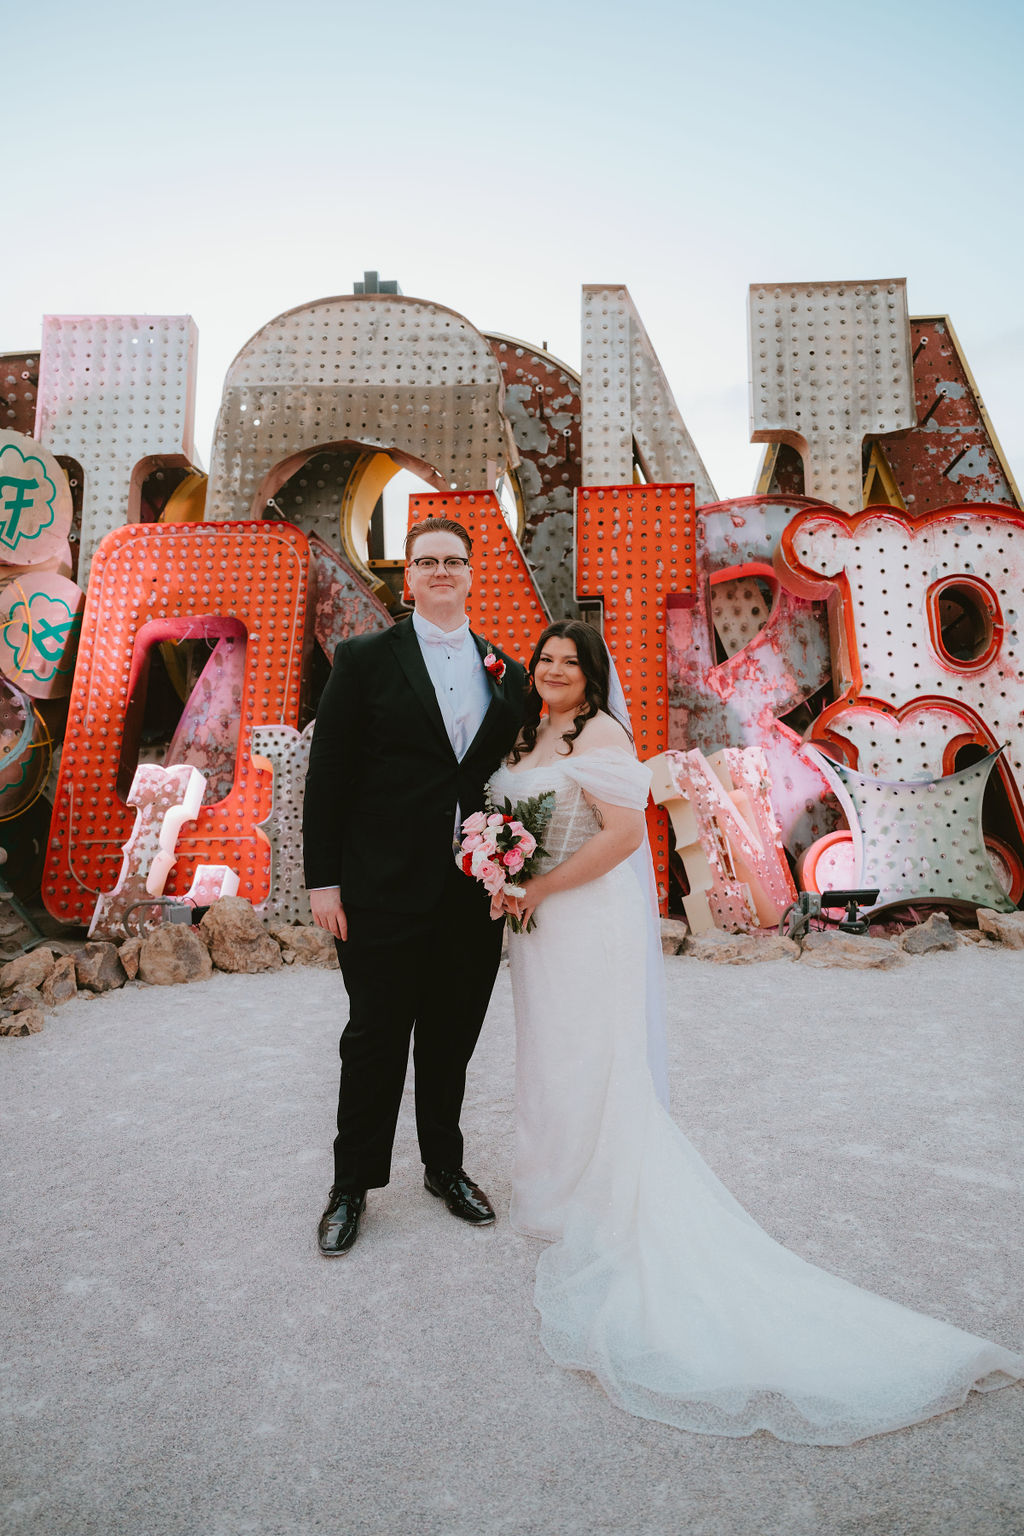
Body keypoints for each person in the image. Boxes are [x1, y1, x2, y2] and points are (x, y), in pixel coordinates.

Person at [487, 619, 1023, 1445]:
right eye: (545, 660)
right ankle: (557, 1178)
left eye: (569, 661)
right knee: (551, 1053)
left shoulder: (599, 732)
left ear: (593, 675)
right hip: (539, 926)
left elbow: (627, 836)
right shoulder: (529, 729)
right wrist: (502, 874)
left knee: (596, 1052)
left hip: (582, 915)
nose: (554, 670)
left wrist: (542, 885)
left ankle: (600, 1186)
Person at [303, 516, 526, 1256]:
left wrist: (515, 866)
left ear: (469, 573)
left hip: (470, 891)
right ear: (409, 578)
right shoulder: (365, 659)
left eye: (452, 561)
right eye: (425, 561)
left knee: (450, 1040)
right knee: (373, 1038)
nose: (439, 572)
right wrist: (323, 882)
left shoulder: (506, 670)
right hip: (378, 889)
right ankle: (351, 1186)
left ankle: (445, 1168)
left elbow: (509, 776)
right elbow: (329, 774)